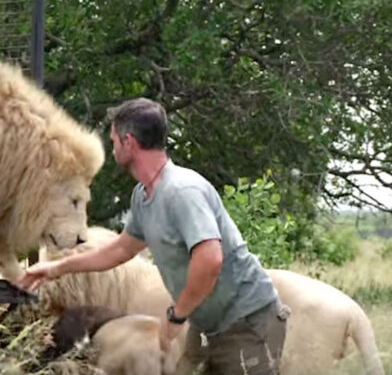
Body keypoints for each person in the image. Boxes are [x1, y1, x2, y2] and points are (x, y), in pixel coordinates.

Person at [18, 98, 290, 375]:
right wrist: (57, 268)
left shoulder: (182, 191)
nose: (112, 150)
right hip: (207, 322)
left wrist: (177, 316)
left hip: (245, 322)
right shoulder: (144, 195)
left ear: (129, 143)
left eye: (113, 142)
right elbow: (120, 250)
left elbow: (210, 260)